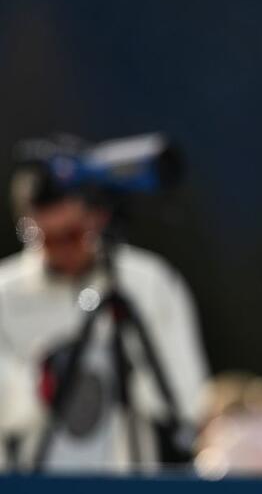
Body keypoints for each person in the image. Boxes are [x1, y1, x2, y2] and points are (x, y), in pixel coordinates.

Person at [0, 148, 209, 472]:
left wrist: (126, 360)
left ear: (97, 218)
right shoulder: (5, 292)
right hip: (29, 479)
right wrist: (38, 384)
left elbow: (188, 399)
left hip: (128, 476)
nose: (62, 250)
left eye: (72, 235)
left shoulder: (148, 282)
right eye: (45, 238)